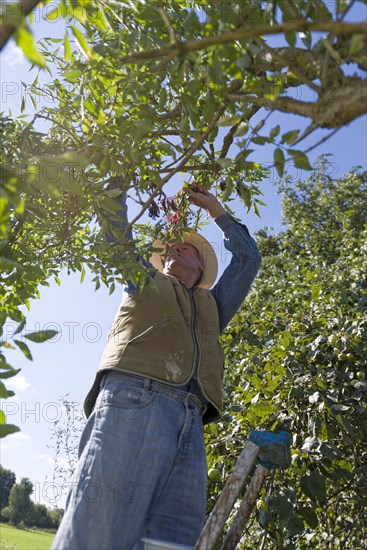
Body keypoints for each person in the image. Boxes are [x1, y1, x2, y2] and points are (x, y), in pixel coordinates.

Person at [52, 184, 261, 550]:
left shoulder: (215, 305)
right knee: (97, 532)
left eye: (188, 248)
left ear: (201, 267)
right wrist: (117, 187)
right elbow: (117, 237)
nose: (176, 248)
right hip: (133, 402)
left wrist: (216, 210)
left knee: (170, 542)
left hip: (192, 421)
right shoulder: (143, 281)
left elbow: (248, 259)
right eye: (170, 248)